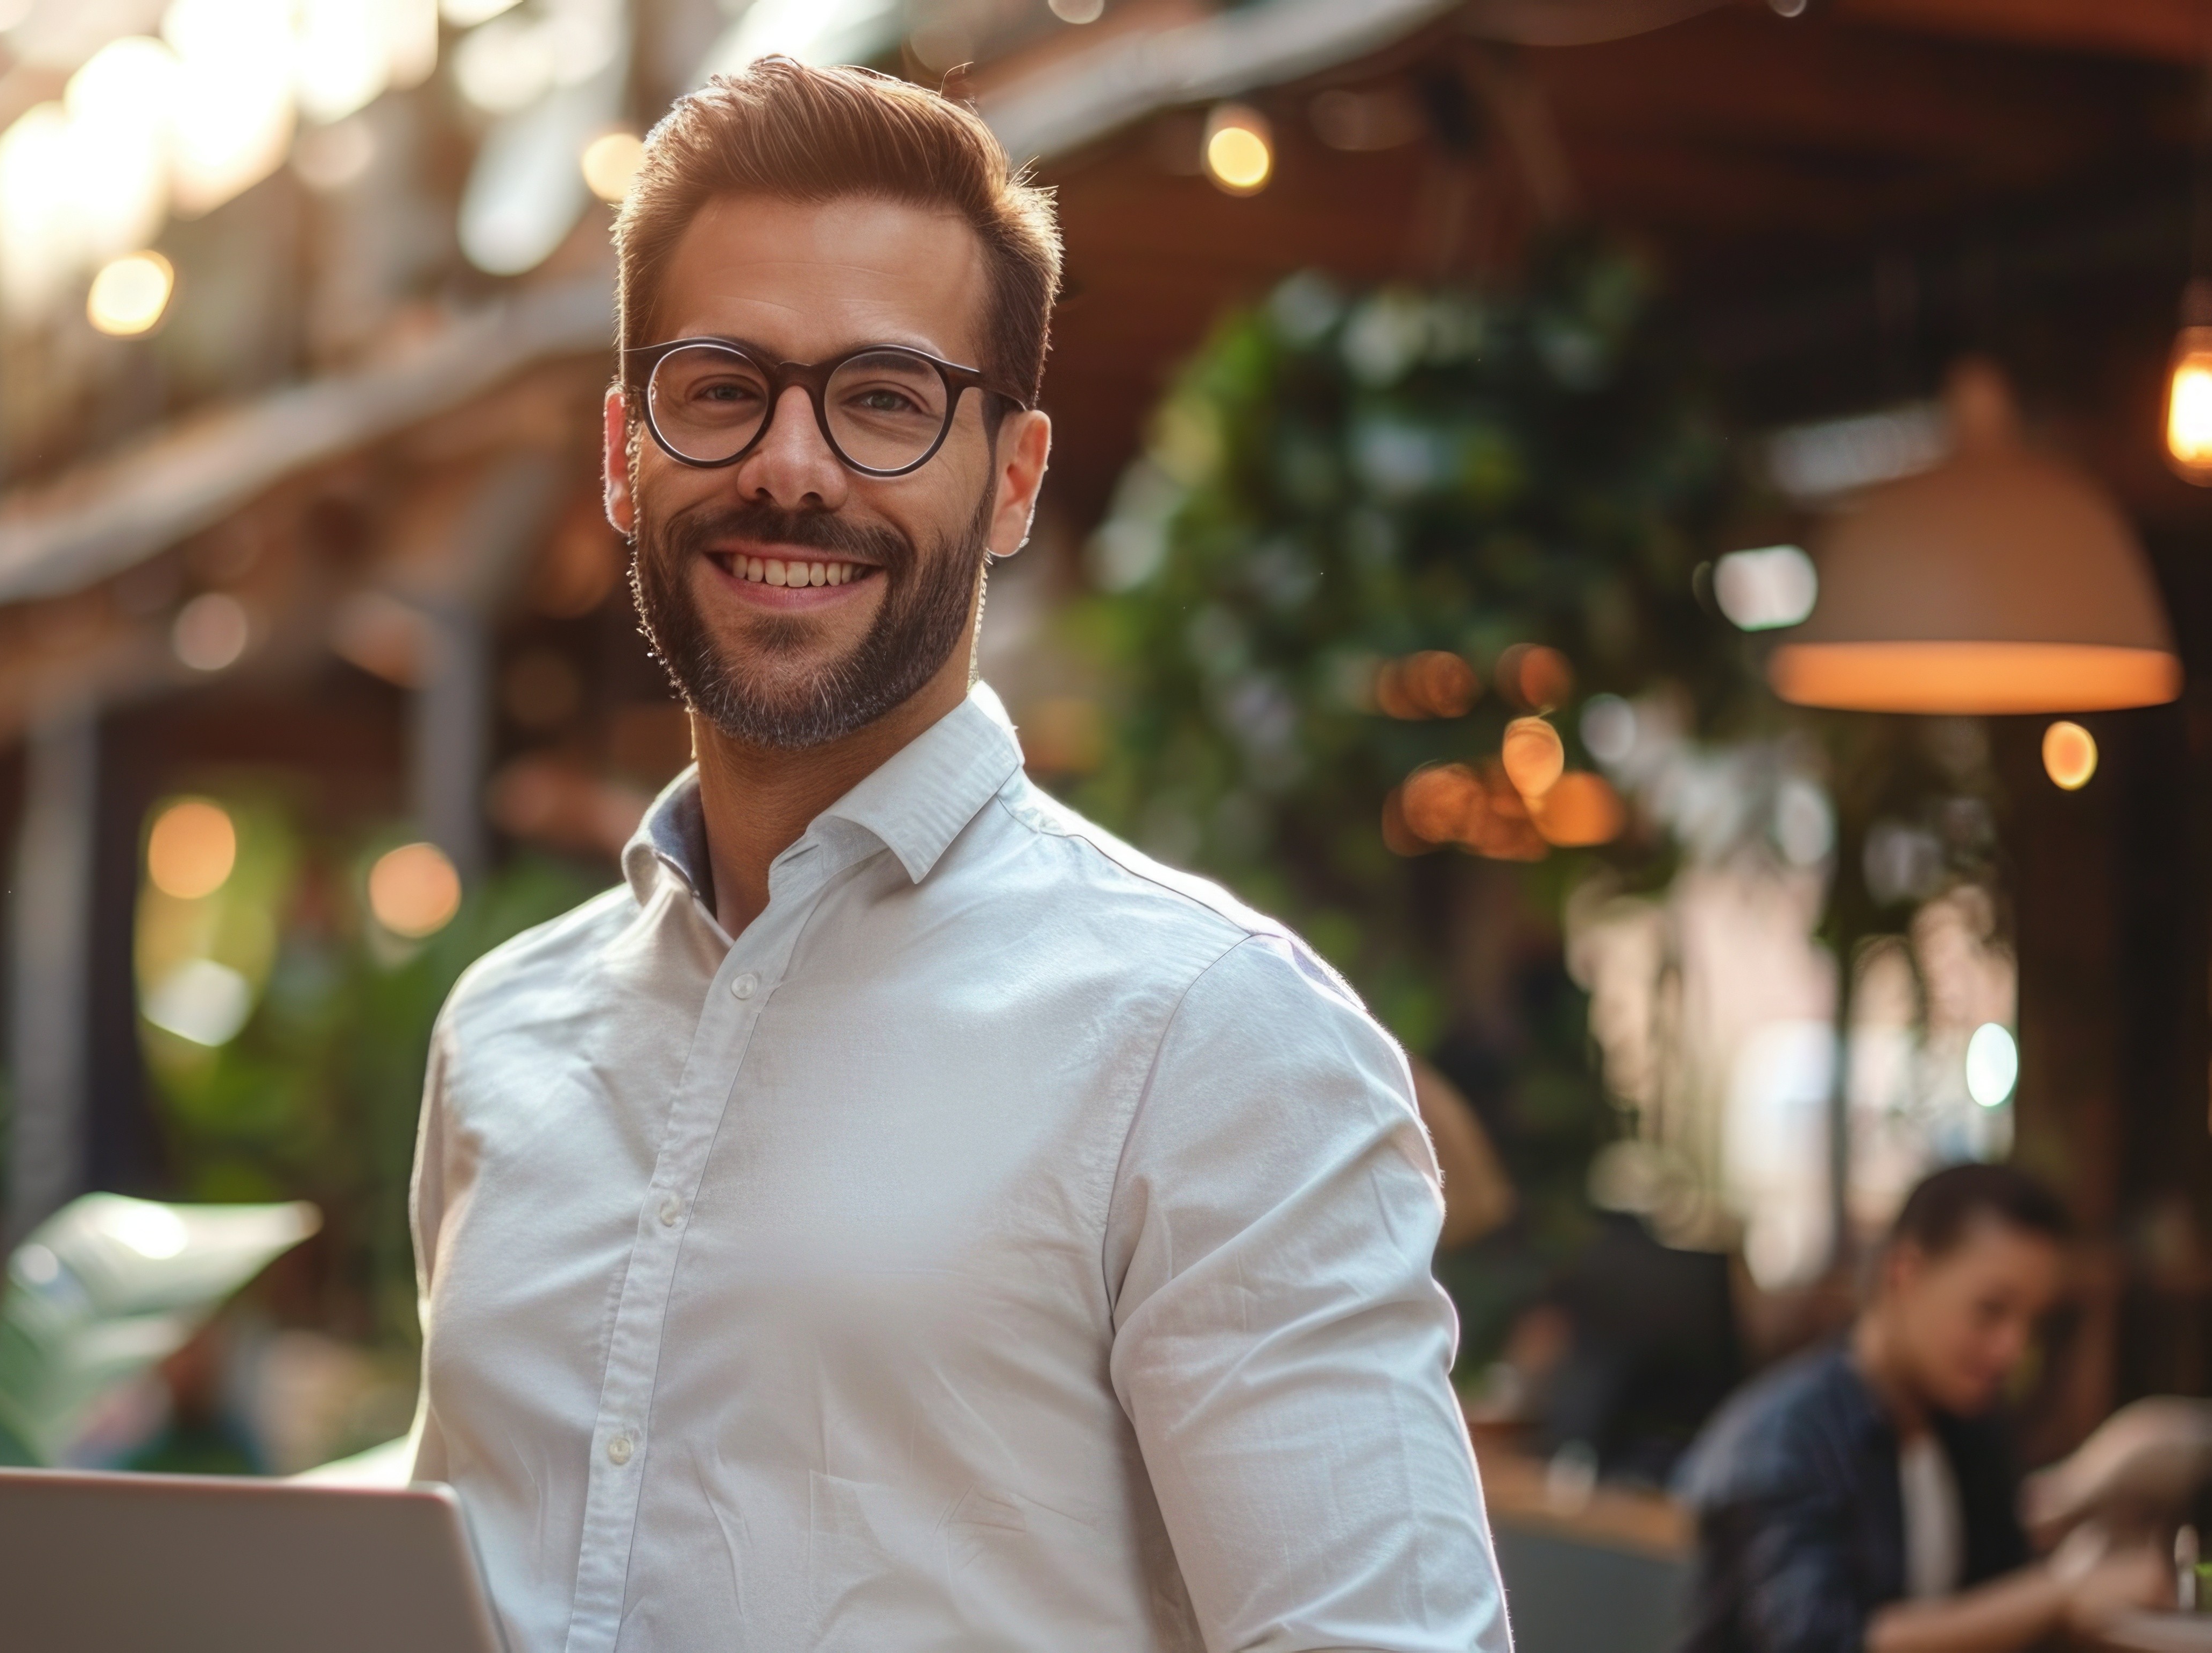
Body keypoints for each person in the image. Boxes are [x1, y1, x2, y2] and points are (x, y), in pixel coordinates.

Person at [404, 57, 1508, 1653]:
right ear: (618, 453)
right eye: (717, 387)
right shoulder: (499, 1034)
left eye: (882, 399)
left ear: (1011, 479)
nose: (789, 464)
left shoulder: (1210, 1037)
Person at [1678, 1163, 2166, 1652]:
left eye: (2033, 1325)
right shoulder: (1785, 1439)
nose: (2013, 1351)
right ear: (1905, 1274)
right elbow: (1821, 1643)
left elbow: (2004, 1592)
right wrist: (2058, 1594)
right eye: (1991, 1310)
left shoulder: (1971, 1428)